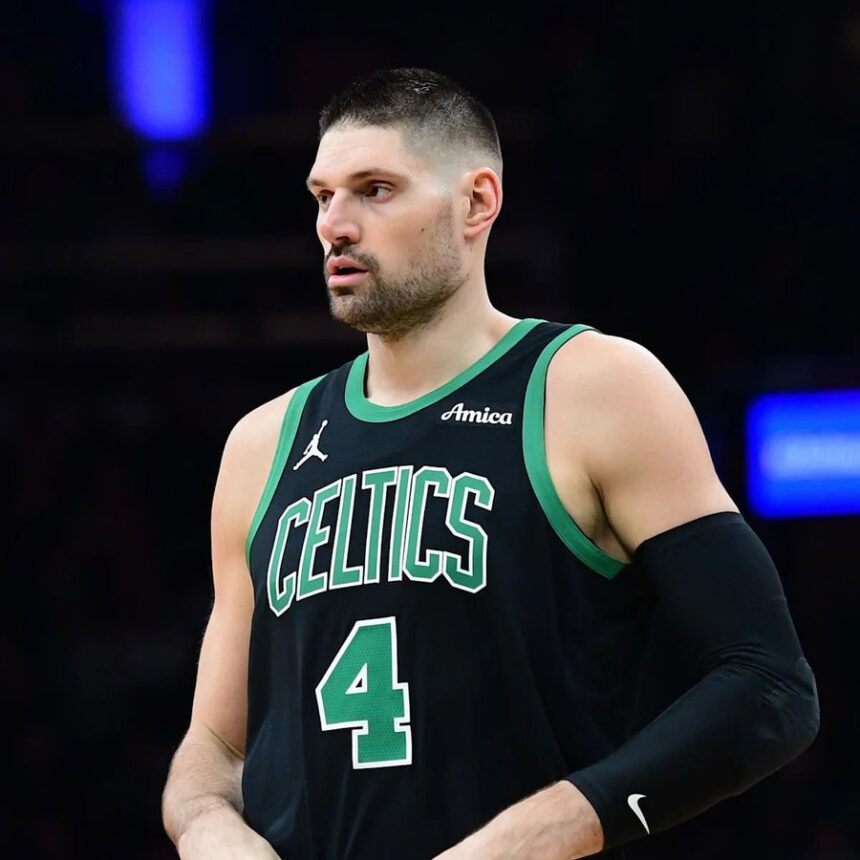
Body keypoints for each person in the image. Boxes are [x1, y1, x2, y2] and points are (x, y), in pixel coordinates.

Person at [161, 67, 819, 859]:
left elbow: (769, 685)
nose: (335, 224)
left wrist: (535, 834)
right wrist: (205, 824)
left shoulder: (593, 386)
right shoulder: (262, 444)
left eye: (375, 190)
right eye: (322, 196)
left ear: (476, 202)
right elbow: (215, 748)